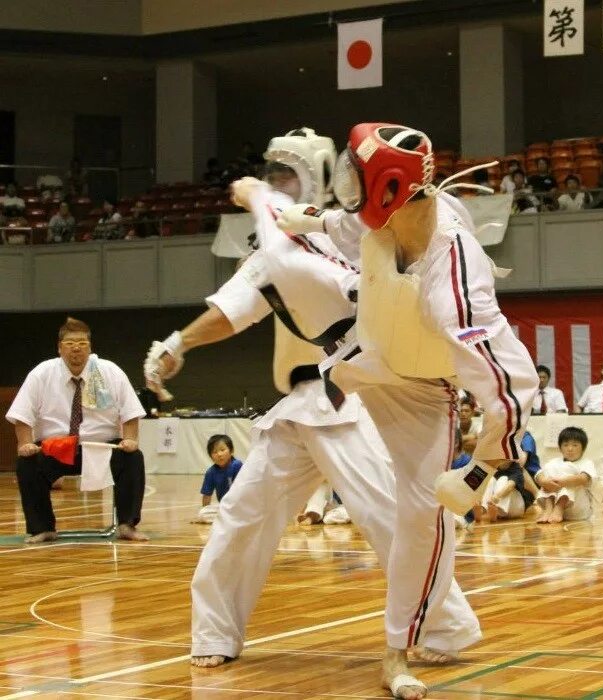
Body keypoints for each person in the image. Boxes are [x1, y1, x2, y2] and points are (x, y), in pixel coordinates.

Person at [145, 128, 483, 699]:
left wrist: (258, 196)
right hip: (300, 402)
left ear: (321, 178)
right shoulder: (281, 240)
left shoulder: (349, 231)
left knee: (392, 516)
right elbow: (235, 307)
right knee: (242, 513)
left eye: (289, 175)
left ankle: (445, 628)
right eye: (272, 174)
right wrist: (177, 343)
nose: (279, 184)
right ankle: (217, 630)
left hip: (358, 393)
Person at [277, 122, 537, 699]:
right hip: (369, 356)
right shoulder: (388, 215)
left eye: (357, 176)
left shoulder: (456, 274)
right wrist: (299, 221)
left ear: (389, 187)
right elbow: (344, 224)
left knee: (423, 515)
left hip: (425, 389)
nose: (349, 186)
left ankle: (397, 648)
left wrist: (483, 465)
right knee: (294, 266)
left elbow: (510, 385)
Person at [7, 317, 148, 543]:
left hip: (102, 446)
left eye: (82, 343)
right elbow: (22, 415)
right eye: (70, 343)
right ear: (60, 347)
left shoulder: (110, 371)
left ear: (90, 347)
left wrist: (130, 439)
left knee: (133, 458)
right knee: (28, 464)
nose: (76, 349)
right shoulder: (42, 373)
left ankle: (126, 524)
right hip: (55, 447)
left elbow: (131, 412)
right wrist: (25, 443)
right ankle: (42, 528)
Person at [534, 426, 595, 523]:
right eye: (566, 445)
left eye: (575, 445)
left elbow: (583, 478)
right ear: (560, 448)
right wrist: (545, 481)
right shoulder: (554, 462)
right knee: (550, 467)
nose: (570, 449)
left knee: (568, 471)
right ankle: (549, 508)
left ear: (583, 448)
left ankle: (559, 507)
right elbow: (538, 475)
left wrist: (559, 482)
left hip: (578, 510)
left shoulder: (587, 463)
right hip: (552, 510)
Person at [200, 434, 242, 507]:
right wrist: (205, 511)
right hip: (224, 507)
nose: (219, 454)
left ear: (231, 451)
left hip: (241, 505)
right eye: (214, 452)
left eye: (222, 450)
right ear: (211, 457)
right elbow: (207, 495)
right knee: (203, 513)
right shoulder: (211, 472)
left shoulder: (237, 465)